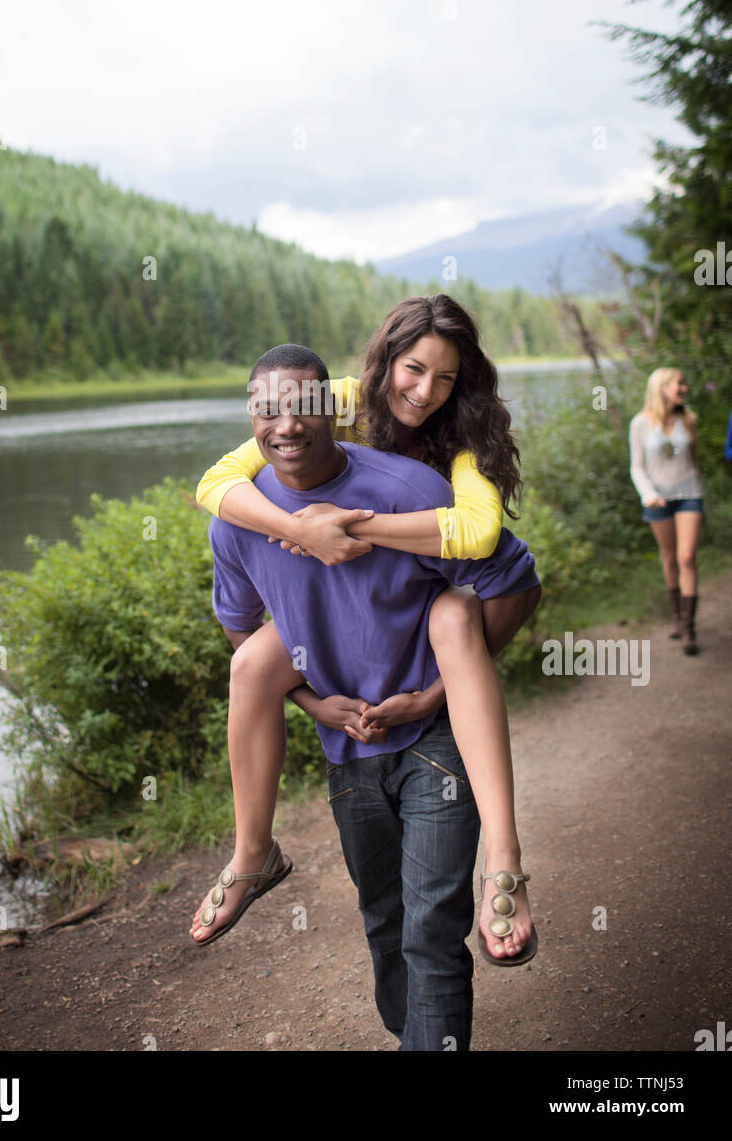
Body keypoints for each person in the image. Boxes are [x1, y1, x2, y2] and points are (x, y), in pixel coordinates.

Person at [200, 346, 541, 1049]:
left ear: (334, 408)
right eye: (267, 410)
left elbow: (514, 578)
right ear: (249, 419)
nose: (286, 425)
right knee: (386, 921)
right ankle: (254, 857)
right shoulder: (239, 516)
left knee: (431, 927)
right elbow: (242, 635)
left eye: (302, 407)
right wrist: (314, 705)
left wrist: (442, 687)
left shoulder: (412, 488)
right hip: (349, 745)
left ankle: (503, 872)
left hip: (437, 741)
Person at [629, 367, 703, 655]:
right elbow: (636, 466)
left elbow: (693, 462)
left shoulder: (689, 420)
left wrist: (700, 495)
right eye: (679, 383)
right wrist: (648, 494)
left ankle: (689, 626)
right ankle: (676, 615)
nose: (684, 388)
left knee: (687, 557)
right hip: (657, 499)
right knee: (670, 557)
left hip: (689, 495)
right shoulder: (640, 424)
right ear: (661, 388)